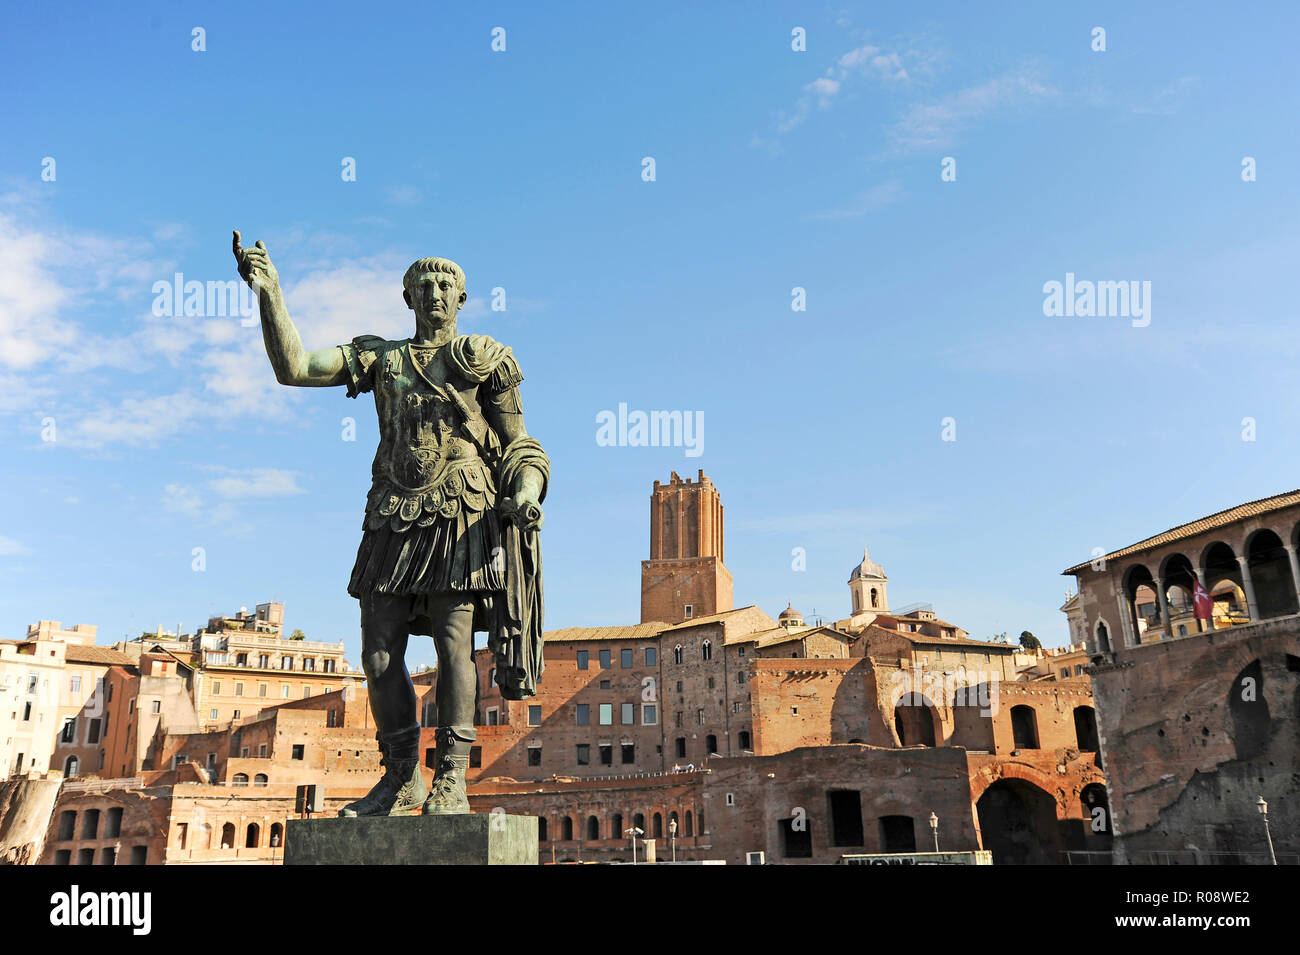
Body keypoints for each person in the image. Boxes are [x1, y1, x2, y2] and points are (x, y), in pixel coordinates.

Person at [233, 231, 548, 815]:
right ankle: (401, 776)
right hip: (390, 514)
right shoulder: (382, 358)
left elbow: (519, 443)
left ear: (462, 297)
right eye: (421, 284)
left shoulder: (484, 358)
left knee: (456, 643)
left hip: (459, 507)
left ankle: (451, 775)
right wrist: (271, 293)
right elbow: (295, 367)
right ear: (407, 298)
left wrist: (526, 491)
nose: (433, 291)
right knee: (379, 654)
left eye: (444, 284)